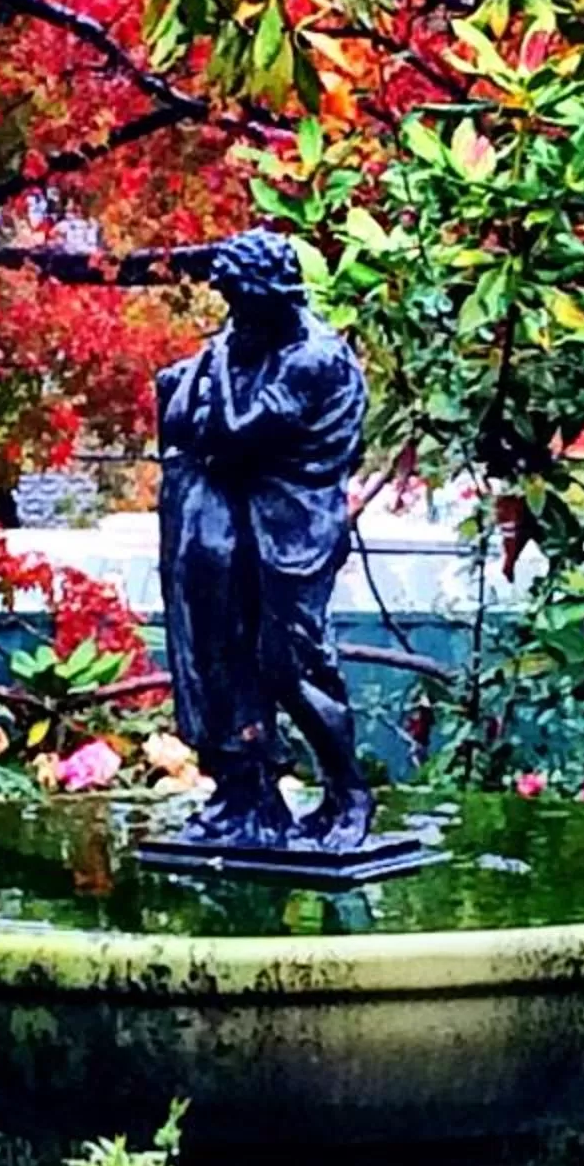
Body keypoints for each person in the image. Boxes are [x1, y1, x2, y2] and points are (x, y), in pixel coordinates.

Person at [156, 230, 374, 850]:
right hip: (243, 522)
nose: (230, 317)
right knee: (229, 652)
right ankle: (248, 796)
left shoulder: (313, 356)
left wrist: (217, 362)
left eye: (239, 302)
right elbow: (179, 416)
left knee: (293, 666)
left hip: (295, 529)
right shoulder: (252, 338)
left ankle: (348, 794)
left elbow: (231, 431)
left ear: (270, 296)